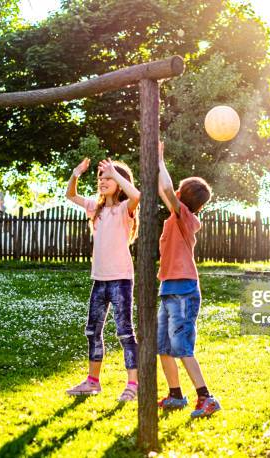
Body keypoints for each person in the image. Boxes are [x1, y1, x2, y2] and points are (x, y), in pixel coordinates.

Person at [65, 157, 141, 402]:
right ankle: (93, 382)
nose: (102, 181)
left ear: (119, 183)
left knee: (124, 332)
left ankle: (133, 384)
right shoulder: (95, 208)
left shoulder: (123, 209)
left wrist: (116, 174)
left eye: (107, 177)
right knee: (92, 331)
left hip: (120, 280)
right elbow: (70, 195)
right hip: (100, 280)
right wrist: (76, 173)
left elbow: (137, 195)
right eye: (100, 178)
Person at [155, 142, 221, 418]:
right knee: (163, 347)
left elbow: (167, 190)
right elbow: (164, 191)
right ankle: (175, 395)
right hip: (168, 287)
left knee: (181, 347)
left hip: (184, 289)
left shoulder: (185, 218)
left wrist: (159, 158)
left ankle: (207, 397)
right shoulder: (176, 214)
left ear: (183, 196)